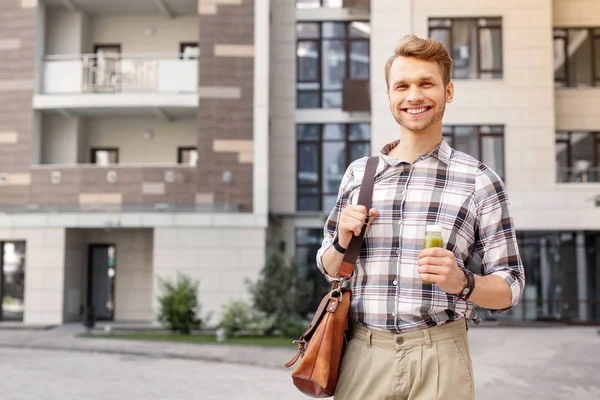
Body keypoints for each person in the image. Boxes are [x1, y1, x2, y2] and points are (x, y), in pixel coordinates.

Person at [316, 34, 525, 400]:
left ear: (448, 91)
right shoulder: (358, 175)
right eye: (403, 86)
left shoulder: (479, 181)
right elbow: (328, 266)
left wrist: (464, 282)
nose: (414, 96)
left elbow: (511, 286)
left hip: (441, 353)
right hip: (363, 353)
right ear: (389, 98)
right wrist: (341, 242)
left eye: (426, 83)